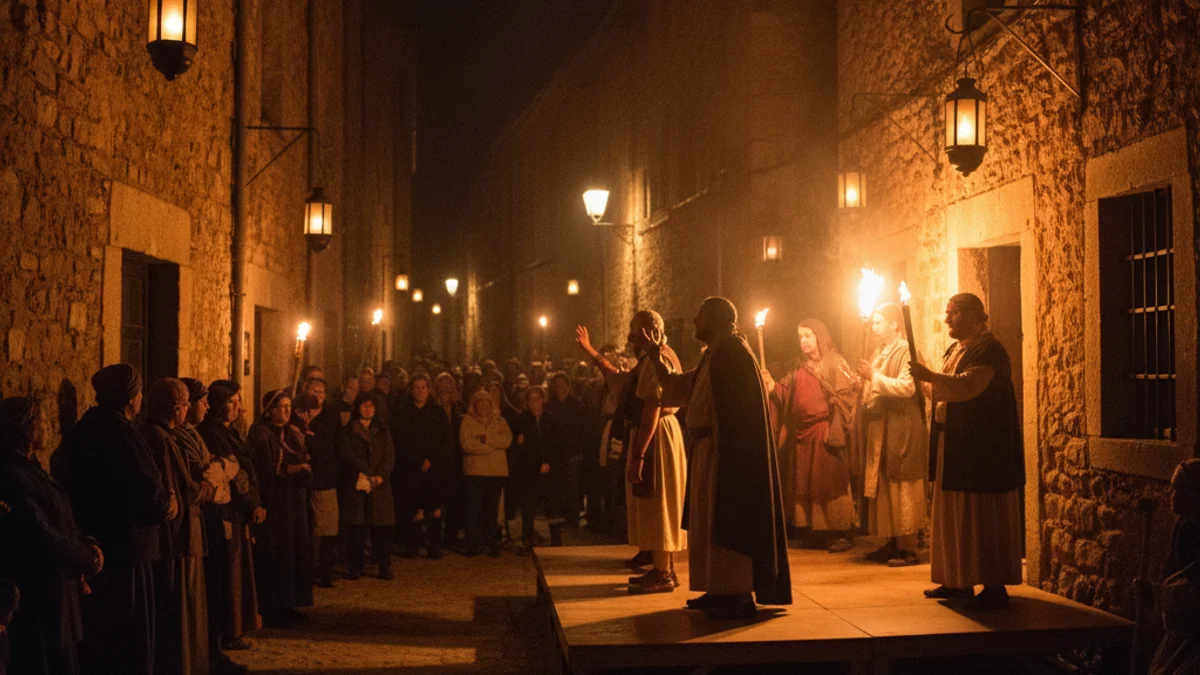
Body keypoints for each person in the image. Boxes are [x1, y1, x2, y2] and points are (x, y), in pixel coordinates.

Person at [643, 297, 792, 619]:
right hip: (707, 451)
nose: (695, 322)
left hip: (727, 454)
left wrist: (731, 458)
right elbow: (678, 388)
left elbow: (740, 416)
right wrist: (656, 359)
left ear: (718, 320)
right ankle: (718, 588)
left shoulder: (733, 354)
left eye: (700, 316)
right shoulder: (715, 355)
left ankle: (736, 593)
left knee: (726, 519)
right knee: (707, 522)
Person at [910, 292, 1024, 610]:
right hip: (956, 444)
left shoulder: (989, 350)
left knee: (982, 515)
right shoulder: (956, 348)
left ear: (973, 316)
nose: (947, 319)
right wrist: (928, 384)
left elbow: (969, 386)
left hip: (982, 449)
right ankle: (957, 580)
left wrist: (930, 376)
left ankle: (993, 583)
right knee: (954, 512)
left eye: (953, 313)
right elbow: (944, 390)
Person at [56, 364, 170, 675]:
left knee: (104, 636)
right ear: (130, 397)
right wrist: (165, 504)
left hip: (102, 543)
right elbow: (148, 492)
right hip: (127, 548)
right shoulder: (124, 435)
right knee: (127, 636)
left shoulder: (85, 428)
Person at [0, 397, 103, 675]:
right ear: (27, 429)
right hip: (41, 599)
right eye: (41, 422)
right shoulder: (14, 476)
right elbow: (41, 535)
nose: (48, 427)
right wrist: (86, 557)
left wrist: (87, 542)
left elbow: (60, 518)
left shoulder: (31, 469)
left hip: (56, 595)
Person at [140, 379, 217, 675]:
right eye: (186, 405)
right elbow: (179, 489)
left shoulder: (163, 436)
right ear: (176, 408)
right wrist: (208, 489)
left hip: (183, 538)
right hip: (178, 540)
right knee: (181, 614)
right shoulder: (160, 439)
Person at [611, 312, 689, 594]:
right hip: (661, 433)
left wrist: (638, 454)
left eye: (634, 330)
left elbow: (653, 406)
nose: (630, 336)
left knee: (659, 502)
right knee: (657, 503)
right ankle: (663, 568)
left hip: (657, 436)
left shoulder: (659, 359)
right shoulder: (656, 357)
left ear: (647, 331)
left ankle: (662, 573)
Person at [765, 319, 858, 552]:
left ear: (819, 337)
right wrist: (769, 385)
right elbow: (784, 393)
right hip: (803, 436)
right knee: (808, 482)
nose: (803, 341)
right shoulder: (800, 368)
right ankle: (817, 531)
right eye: (800, 337)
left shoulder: (835, 362)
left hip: (824, 432)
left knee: (829, 482)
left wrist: (834, 419)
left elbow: (848, 395)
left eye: (808, 336)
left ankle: (839, 531)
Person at [173, 380, 246, 675]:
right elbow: (205, 474)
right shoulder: (181, 438)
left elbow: (224, 466)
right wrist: (220, 471)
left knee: (215, 589)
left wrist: (221, 470)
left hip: (210, 521)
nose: (205, 407)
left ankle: (212, 650)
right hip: (199, 522)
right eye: (200, 402)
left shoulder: (193, 435)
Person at [856, 303, 928, 567]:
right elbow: (874, 383)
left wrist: (873, 376)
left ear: (895, 324)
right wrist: (863, 382)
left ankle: (908, 546)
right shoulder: (879, 351)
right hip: (881, 427)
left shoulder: (907, 350)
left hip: (901, 425)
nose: (874, 328)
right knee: (885, 484)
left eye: (878, 322)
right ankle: (891, 540)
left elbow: (908, 387)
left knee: (902, 484)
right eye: (873, 323)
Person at [198, 382, 261, 651]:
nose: (238, 407)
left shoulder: (230, 432)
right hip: (227, 510)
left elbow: (245, 468)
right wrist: (251, 503)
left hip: (239, 511)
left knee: (238, 571)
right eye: (232, 402)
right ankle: (226, 631)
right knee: (229, 573)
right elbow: (233, 474)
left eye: (238, 401)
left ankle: (235, 627)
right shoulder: (212, 434)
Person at [247, 390, 313, 625]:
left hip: (293, 501)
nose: (286, 411)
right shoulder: (261, 434)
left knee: (293, 551)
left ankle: (290, 602)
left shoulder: (292, 433)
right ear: (270, 410)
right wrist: (292, 469)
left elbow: (302, 457)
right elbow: (266, 469)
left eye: (288, 406)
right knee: (276, 552)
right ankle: (273, 606)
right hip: (275, 502)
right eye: (281, 407)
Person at [393, 374, 454, 559]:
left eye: (423, 387)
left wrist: (432, 459)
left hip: (433, 469)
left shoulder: (437, 413)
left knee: (434, 507)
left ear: (429, 390)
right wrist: (415, 460)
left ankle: (434, 545)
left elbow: (444, 440)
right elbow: (400, 440)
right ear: (412, 390)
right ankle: (412, 544)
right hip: (410, 467)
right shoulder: (403, 412)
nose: (420, 391)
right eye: (416, 387)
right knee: (414, 508)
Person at [1149, 459, 1200, 674]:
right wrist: (1156, 592)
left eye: (1178, 489)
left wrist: (1164, 594)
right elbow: (1171, 573)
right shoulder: (1182, 527)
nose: (1172, 495)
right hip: (1179, 632)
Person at [338, 393, 396, 580]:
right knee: (358, 529)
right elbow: (347, 455)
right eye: (364, 405)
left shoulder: (382, 430)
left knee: (381, 529)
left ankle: (384, 564)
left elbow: (389, 455)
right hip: (358, 484)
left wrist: (381, 475)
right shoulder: (348, 431)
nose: (368, 409)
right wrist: (366, 472)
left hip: (379, 486)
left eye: (371, 405)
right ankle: (356, 565)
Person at [460, 390, 513, 557]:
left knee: (492, 509)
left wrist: (487, 440)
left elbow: (506, 440)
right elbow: (466, 444)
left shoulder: (500, 421)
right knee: (474, 508)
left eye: (486, 402)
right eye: (479, 402)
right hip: (475, 471)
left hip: (496, 472)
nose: (483, 406)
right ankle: (472, 542)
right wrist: (489, 448)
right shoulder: (467, 421)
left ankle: (491, 541)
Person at [298, 381, 340, 587]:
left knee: (327, 528)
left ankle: (325, 570)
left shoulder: (330, 418)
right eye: (313, 391)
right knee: (308, 529)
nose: (317, 395)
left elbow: (333, 446)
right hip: (303, 482)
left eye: (321, 392)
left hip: (325, 478)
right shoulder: (297, 419)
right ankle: (308, 568)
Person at [509, 387, 551, 553]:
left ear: (542, 400)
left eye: (537, 398)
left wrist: (549, 462)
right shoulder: (522, 420)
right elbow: (521, 447)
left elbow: (555, 442)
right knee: (528, 506)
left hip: (548, 467)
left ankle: (555, 540)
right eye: (531, 399)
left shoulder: (549, 419)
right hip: (528, 470)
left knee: (551, 505)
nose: (534, 402)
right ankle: (527, 538)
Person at [544, 373, 587, 528]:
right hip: (556, 452)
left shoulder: (577, 405)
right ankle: (561, 513)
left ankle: (573, 516)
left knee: (573, 485)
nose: (560, 388)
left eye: (563, 385)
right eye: (557, 386)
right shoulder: (550, 405)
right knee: (560, 484)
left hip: (572, 451)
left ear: (569, 386)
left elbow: (582, 429)